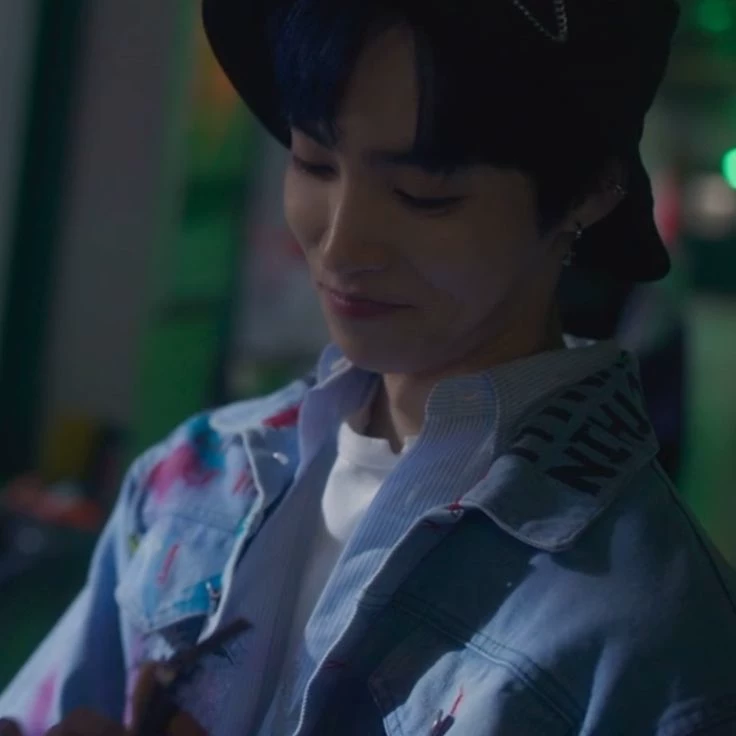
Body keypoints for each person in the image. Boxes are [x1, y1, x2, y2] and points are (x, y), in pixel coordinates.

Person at [2, 0, 736, 734]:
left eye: (424, 196)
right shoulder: (195, 481)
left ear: (587, 190)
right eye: (313, 162)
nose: (342, 246)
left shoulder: (650, 634)